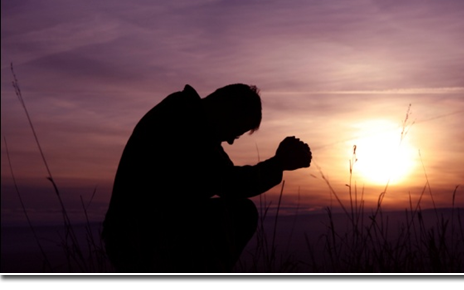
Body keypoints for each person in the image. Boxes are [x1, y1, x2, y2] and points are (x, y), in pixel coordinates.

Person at [102, 84, 312, 273]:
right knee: (241, 215)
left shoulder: (187, 116)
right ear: (227, 113)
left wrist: (278, 164)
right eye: (235, 133)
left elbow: (223, 175)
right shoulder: (185, 123)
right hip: (140, 239)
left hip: (138, 234)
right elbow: (230, 183)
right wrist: (279, 163)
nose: (230, 141)